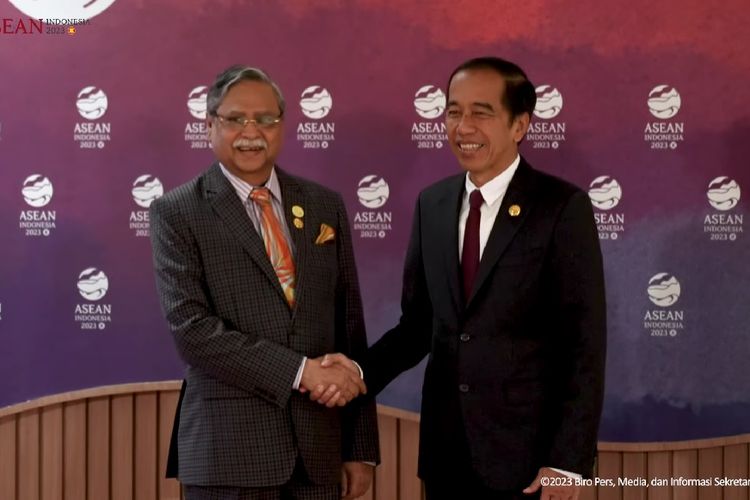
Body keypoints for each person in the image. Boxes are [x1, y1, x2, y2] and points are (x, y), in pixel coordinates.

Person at [318, 57, 606, 500]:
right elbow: (417, 327)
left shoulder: (561, 208)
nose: (462, 126)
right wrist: (357, 371)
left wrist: (567, 463)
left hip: (529, 464)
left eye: (481, 112)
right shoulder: (431, 205)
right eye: (454, 111)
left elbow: (585, 344)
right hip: (446, 456)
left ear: (519, 125)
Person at [150, 65, 379, 500]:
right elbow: (193, 332)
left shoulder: (323, 205)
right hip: (227, 457)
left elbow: (350, 328)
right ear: (210, 125)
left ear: (283, 125)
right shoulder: (177, 212)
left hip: (319, 454)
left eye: (266, 119)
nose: (251, 131)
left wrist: (360, 446)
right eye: (235, 119)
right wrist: (302, 372)